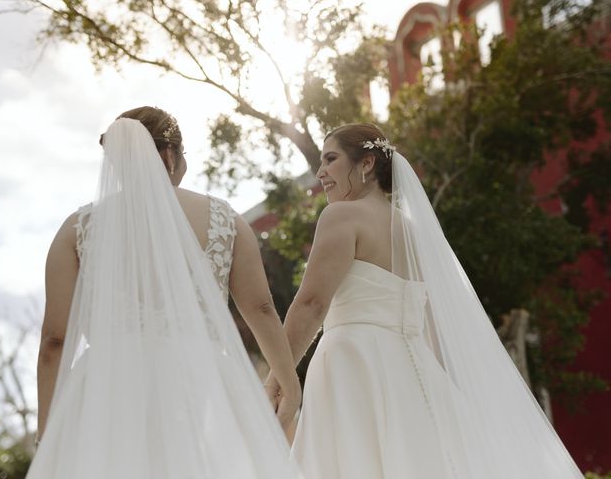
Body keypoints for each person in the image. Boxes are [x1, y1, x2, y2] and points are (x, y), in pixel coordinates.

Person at [266, 123, 583, 478]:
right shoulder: (414, 233)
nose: (321, 172)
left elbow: (311, 304)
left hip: (353, 363)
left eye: (331, 159)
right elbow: (428, 322)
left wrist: (277, 377)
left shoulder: (341, 215)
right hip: (413, 366)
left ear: (367, 163)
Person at [28, 107, 301, 478]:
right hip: (199, 380)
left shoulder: (78, 229)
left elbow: (54, 342)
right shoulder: (224, 220)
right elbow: (261, 309)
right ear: (170, 155)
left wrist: (49, 434)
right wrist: (288, 381)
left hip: (107, 389)